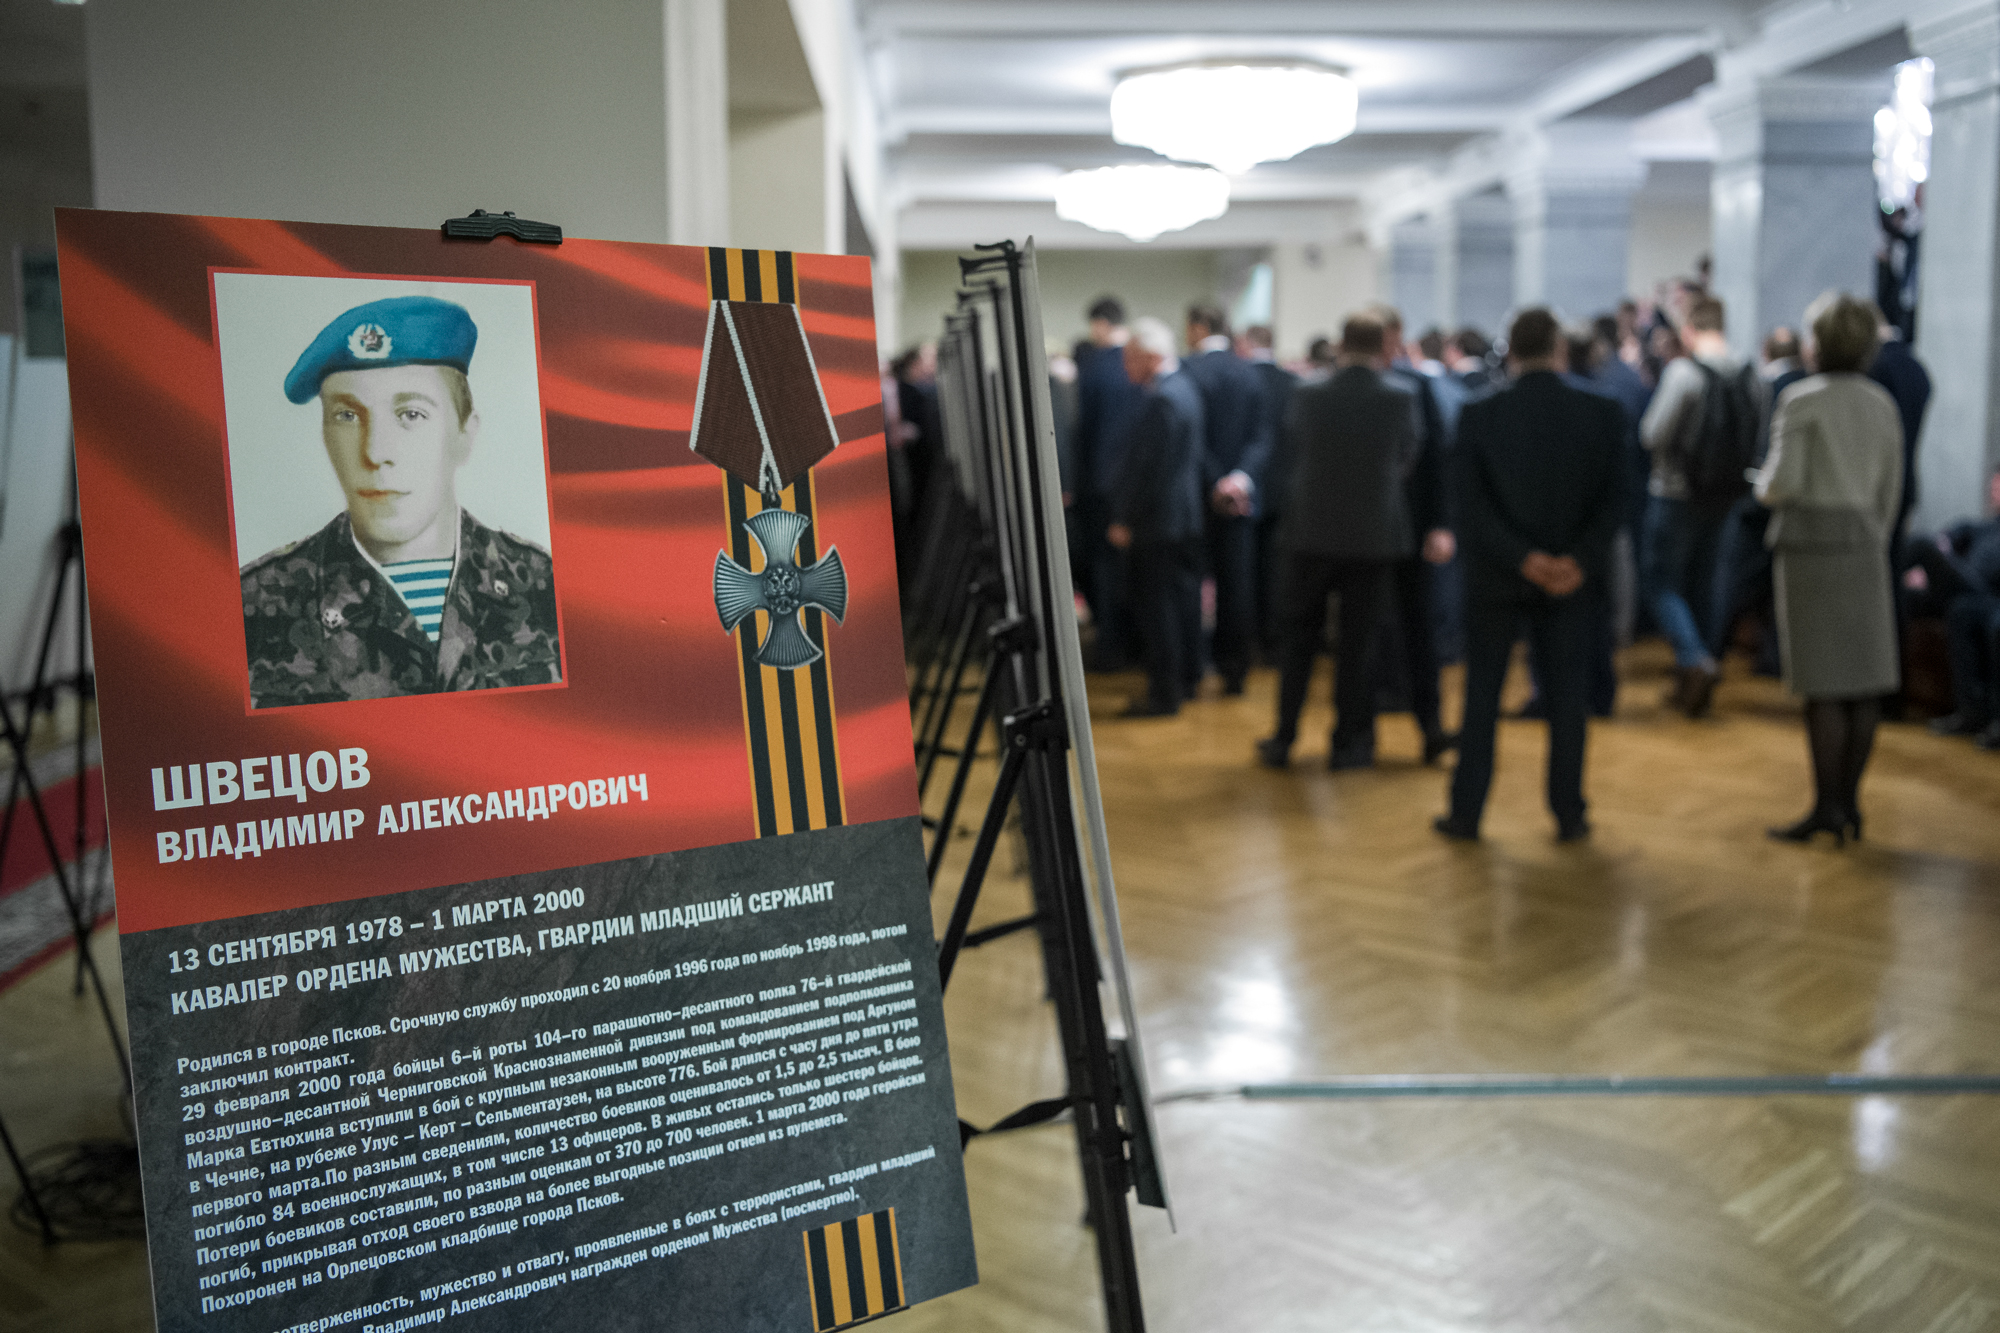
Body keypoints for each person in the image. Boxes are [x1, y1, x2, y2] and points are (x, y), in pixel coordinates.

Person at [242, 294, 560, 709]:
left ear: (464, 436)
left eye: (411, 414)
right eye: (347, 416)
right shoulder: (254, 604)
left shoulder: (545, 586)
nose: (375, 453)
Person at [1436, 308, 1623, 843]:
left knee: (1482, 695)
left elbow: (1470, 507)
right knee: (1567, 697)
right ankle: (1569, 812)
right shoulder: (1602, 412)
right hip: (1570, 578)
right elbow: (1615, 501)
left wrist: (1522, 559)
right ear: (1560, 350)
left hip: (1498, 575)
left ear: (1510, 352)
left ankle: (1467, 811)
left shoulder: (1479, 413)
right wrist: (1576, 560)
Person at [1755, 292, 1905, 844]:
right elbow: (1891, 489)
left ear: (1816, 343)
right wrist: (1872, 533)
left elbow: (1783, 483)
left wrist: (1760, 484)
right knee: (1862, 684)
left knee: (1822, 686)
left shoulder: (1801, 400)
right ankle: (1851, 806)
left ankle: (1826, 807)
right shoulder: (1881, 403)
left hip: (1810, 548)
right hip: (1864, 544)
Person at [1256, 315, 1416, 770]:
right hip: (1372, 535)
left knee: (1299, 640)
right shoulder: (1400, 396)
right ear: (1383, 346)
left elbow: (1292, 449)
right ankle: (1349, 742)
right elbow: (1408, 455)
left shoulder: (1308, 392)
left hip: (1311, 530)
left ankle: (1284, 736)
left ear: (1341, 344)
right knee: (1358, 645)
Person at [1639, 295, 1764, 718]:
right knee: (1708, 584)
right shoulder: (1751, 375)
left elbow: (1653, 433)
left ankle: (1693, 659)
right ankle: (1702, 668)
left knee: (1662, 581)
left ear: (1689, 330)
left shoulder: (1683, 373)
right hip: (1727, 495)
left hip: (1675, 491)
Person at [1107, 318, 1207, 717]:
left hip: (1158, 521)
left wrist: (1124, 518)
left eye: (1130, 358)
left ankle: (1165, 693)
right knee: (1182, 603)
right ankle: (1187, 679)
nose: (1125, 367)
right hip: (1183, 517)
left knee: (1159, 609)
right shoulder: (1185, 389)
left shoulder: (1162, 399)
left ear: (1151, 357)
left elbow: (1151, 470)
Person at [1371, 304, 1457, 763]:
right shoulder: (1352, 386)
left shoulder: (1417, 385)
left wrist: (1440, 523)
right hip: (1366, 529)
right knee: (1368, 628)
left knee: (1418, 626)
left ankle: (1431, 725)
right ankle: (1364, 728)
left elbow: (1436, 458)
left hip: (1412, 524)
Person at [1181, 303, 1273, 695]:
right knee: (1237, 586)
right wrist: (1239, 479)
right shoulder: (1249, 372)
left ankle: (1193, 667)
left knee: (1191, 585)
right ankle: (1235, 670)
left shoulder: (1187, 370)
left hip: (1196, 498)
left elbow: (1191, 438)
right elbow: (1263, 436)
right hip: (1242, 499)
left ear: (1198, 328)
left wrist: (1216, 481)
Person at [1710, 328, 1811, 677]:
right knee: (1776, 585)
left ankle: (1711, 655)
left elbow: (1758, 449)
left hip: (1758, 499)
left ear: (1766, 352)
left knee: (1732, 582)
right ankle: (1773, 658)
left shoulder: (1766, 388)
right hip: (1797, 506)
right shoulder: (1808, 388)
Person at [1073, 296, 1145, 669]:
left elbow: (1084, 431)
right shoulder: (1140, 363)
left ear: (1100, 324)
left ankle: (1111, 643)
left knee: (1104, 566)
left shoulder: (1094, 367)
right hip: (1139, 482)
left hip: (1100, 485)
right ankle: (1135, 642)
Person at [1911, 467, 2000, 747]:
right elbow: (1946, 537)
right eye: (1994, 484)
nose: (1995, 489)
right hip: (1968, 594)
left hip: (1989, 593)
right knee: (1959, 610)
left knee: (1921, 546)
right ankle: (1971, 713)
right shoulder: (1979, 527)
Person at [1240, 325, 1301, 664]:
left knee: (1243, 571)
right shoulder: (1294, 383)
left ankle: (1244, 640)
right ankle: (1274, 642)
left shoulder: (1242, 380)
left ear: (1247, 343)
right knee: (1276, 571)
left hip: (1245, 488)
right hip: (1284, 490)